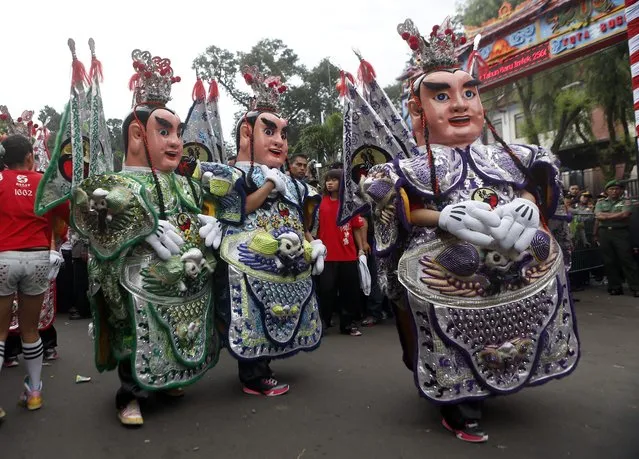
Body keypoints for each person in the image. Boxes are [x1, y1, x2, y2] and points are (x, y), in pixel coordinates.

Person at [341, 19, 579, 443]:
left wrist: (525, 208)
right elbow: (388, 199)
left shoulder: (511, 156)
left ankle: (497, 377)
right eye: (442, 96)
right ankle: (459, 403)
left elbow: (531, 186)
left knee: (539, 254)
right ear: (418, 110)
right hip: (451, 264)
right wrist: (442, 219)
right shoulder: (407, 169)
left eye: (469, 92)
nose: (459, 104)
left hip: (509, 255)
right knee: (451, 290)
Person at [43, 49, 223, 426]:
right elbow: (90, 220)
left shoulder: (184, 182)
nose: (176, 141)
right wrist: (142, 225)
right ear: (137, 136)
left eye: (176, 132)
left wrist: (211, 224)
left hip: (182, 274)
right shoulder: (118, 182)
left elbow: (196, 211)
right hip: (135, 276)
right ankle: (130, 395)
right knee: (134, 331)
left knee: (177, 326)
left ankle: (168, 379)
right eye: (164, 132)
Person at [197, 67, 326, 396]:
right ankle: (252, 374)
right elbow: (236, 211)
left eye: (283, 134)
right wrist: (269, 183)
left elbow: (299, 221)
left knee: (280, 309)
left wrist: (314, 245)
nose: (280, 142)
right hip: (245, 259)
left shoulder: (295, 184)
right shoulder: (230, 175)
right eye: (270, 132)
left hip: (286, 260)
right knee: (251, 313)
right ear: (245, 134)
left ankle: (264, 364)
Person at [0, 134, 68, 421]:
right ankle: (35, 392)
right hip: (37, 258)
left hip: (3, 258)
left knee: (0, 333)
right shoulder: (44, 182)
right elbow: (66, 215)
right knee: (30, 329)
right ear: (30, 156)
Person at [317, 169, 366, 336]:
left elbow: (357, 227)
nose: (329, 183)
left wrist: (361, 249)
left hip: (348, 255)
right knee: (326, 290)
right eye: (328, 180)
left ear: (342, 182)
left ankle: (347, 324)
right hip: (326, 255)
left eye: (334, 180)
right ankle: (323, 322)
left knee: (349, 292)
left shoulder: (349, 203)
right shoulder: (319, 202)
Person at [594, 180, 639, 296]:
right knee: (609, 261)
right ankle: (615, 286)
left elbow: (625, 214)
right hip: (605, 233)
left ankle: (635, 287)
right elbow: (598, 215)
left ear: (621, 191)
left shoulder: (626, 202)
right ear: (607, 191)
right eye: (611, 189)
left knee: (627, 259)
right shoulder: (600, 202)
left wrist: (606, 216)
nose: (614, 191)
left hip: (621, 233)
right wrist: (616, 216)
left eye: (617, 189)